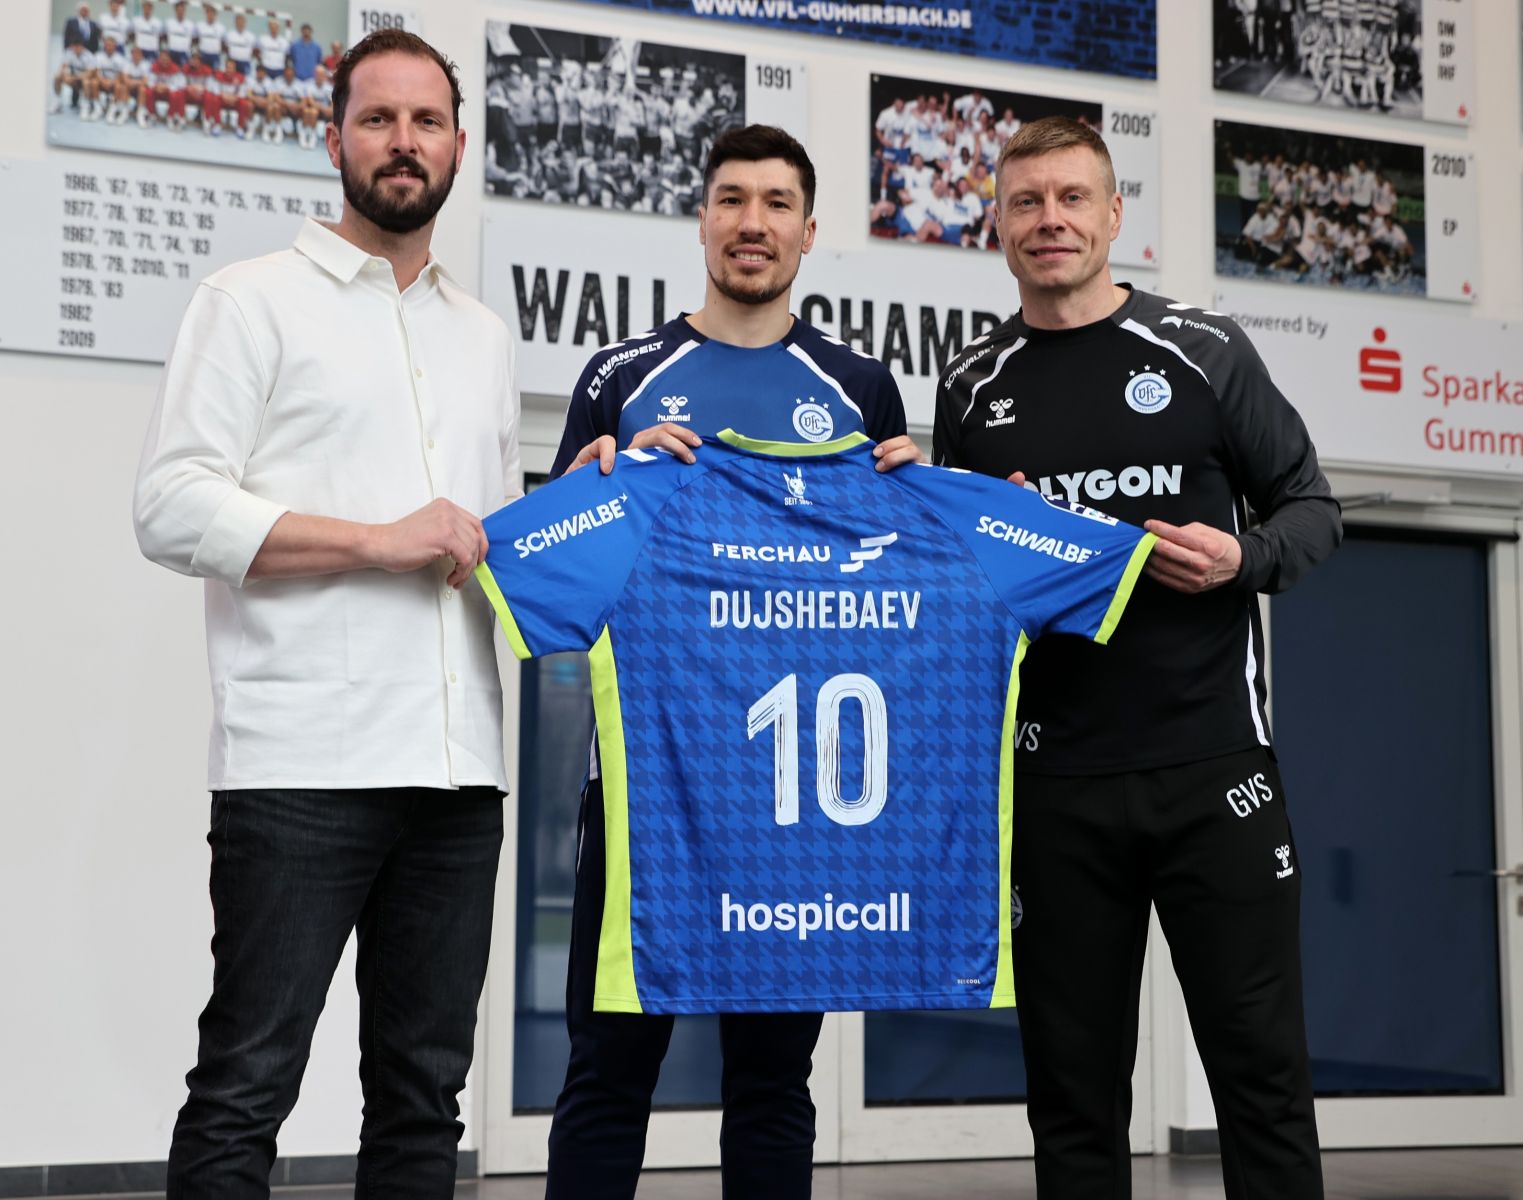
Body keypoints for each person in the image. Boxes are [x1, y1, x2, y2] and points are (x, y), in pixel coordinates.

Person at [132, 29, 520, 1197]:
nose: (403, 142)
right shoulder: (250, 303)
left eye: (426, 121)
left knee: (423, 1099)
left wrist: (592, 500)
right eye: (377, 119)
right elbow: (169, 507)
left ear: (458, 145)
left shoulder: (482, 336)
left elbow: (489, 542)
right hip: (301, 768)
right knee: (246, 1085)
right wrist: (374, 537)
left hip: (457, 776)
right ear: (333, 137)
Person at [933, 116, 1338, 1200]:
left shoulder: (1203, 350)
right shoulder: (969, 386)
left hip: (1214, 774)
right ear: (997, 225)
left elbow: (1312, 511)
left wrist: (1240, 559)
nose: (1049, 220)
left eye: (1072, 197)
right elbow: (960, 594)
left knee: (1261, 1083)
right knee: (1070, 1102)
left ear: (1113, 215)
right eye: (1025, 202)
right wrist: (992, 548)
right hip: (1054, 785)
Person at [543, 124, 921, 1200]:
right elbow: (559, 577)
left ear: (809, 229)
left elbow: (888, 593)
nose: (751, 223)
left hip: (791, 808)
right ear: (701, 220)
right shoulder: (621, 376)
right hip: (647, 791)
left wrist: (920, 500)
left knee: (770, 1084)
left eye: (774, 203)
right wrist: (597, 483)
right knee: (608, 1072)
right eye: (731, 200)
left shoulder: (858, 386)